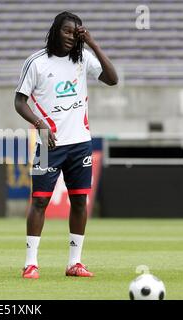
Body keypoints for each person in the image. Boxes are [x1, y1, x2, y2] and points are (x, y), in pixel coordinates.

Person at [14, 11, 118, 279]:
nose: (72, 36)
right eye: (67, 31)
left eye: (77, 32)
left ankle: (75, 263)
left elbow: (112, 79)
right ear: (56, 31)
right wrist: (39, 124)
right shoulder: (36, 62)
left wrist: (93, 44)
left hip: (80, 143)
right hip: (49, 145)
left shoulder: (83, 58)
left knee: (80, 202)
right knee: (39, 202)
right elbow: (19, 101)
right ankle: (30, 263)